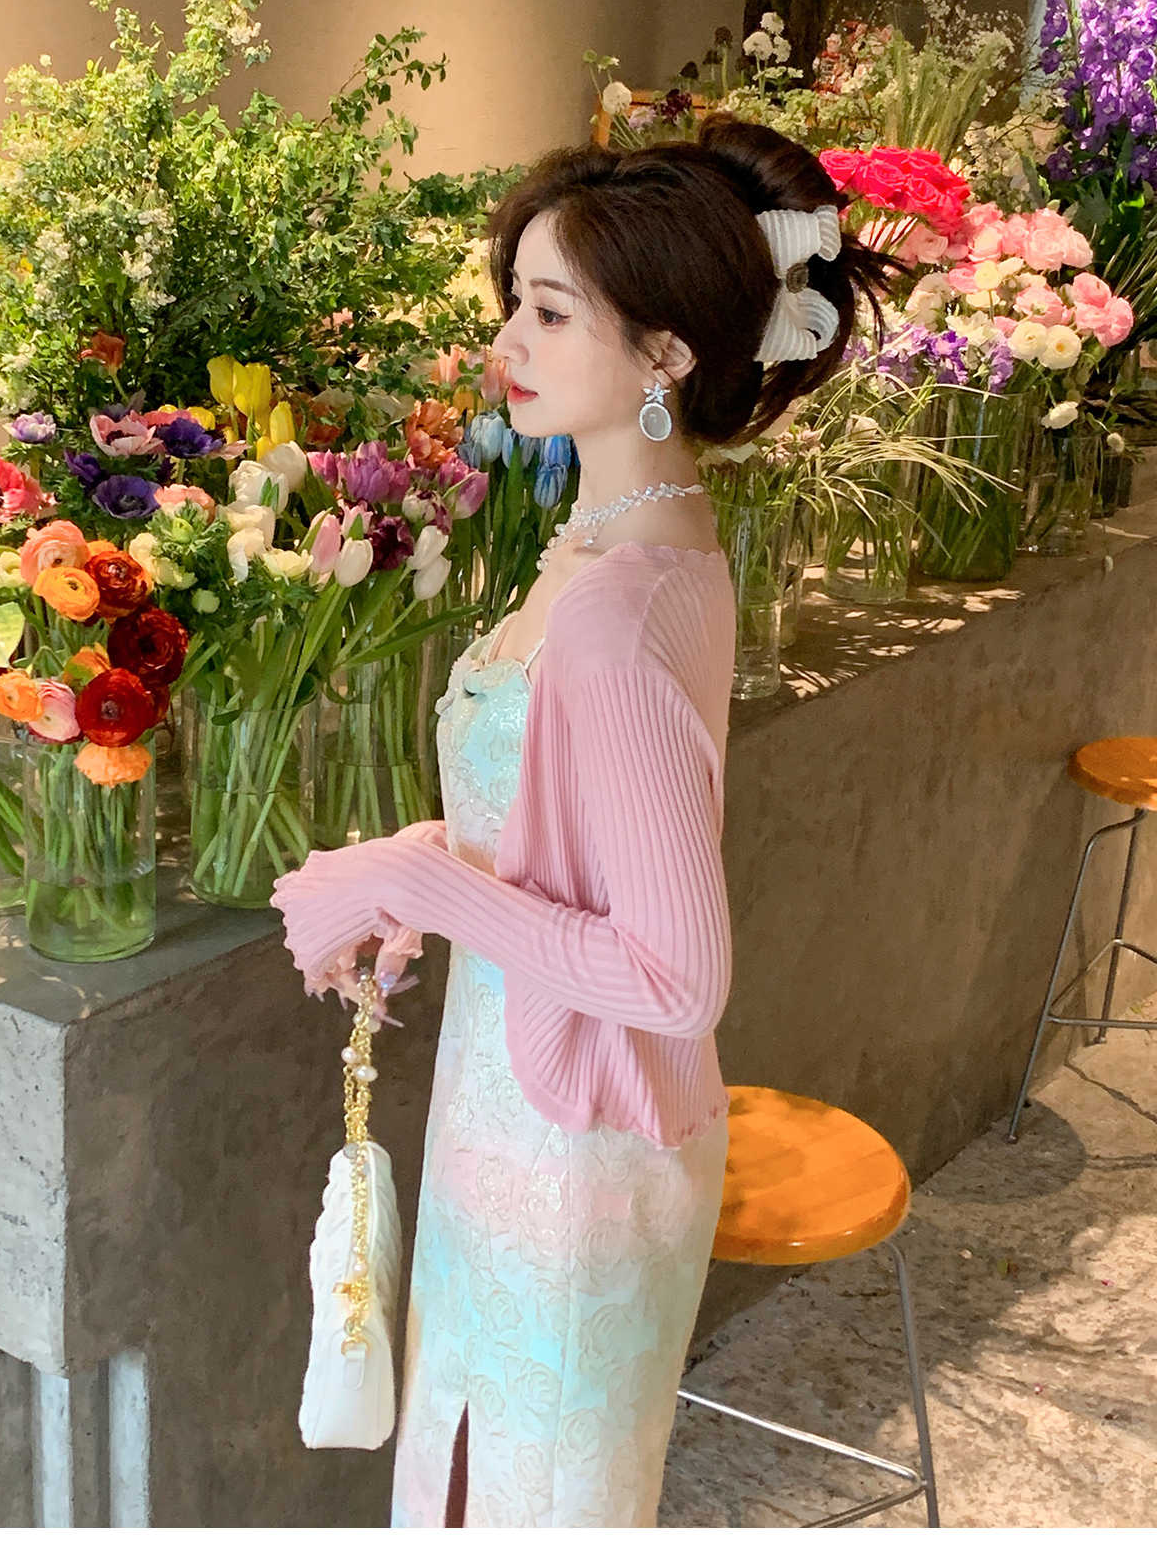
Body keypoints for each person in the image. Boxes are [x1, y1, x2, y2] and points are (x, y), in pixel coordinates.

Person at [272, 116, 890, 1528]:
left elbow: (677, 978)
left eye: (552, 313)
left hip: (574, 1158)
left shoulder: (621, 599)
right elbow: (563, 835)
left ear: (666, 351)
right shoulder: (623, 538)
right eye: (516, 303)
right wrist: (419, 877)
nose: (510, 341)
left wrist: (420, 878)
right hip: (510, 1109)